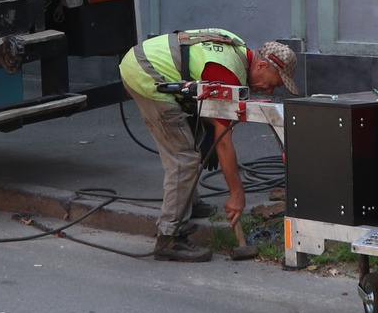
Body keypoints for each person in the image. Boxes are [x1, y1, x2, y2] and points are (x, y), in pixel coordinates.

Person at [120, 29, 297, 262]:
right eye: (272, 84)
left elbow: (207, 102)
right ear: (262, 66)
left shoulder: (237, 50)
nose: (270, 90)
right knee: (183, 157)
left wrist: (208, 132)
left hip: (146, 61)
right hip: (146, 73)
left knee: (192, 142)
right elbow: (223, 142)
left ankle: (188, 203)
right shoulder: (228, 71)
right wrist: (237, 194)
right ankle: (170, 237)